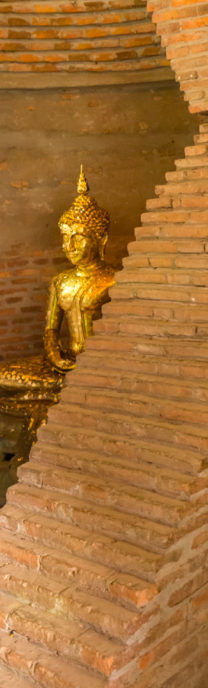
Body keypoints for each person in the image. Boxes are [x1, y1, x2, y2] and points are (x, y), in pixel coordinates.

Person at [0, 169, 114, 466]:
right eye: (66, 238)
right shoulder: (61, 281)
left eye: (79, 238)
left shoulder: (115, 281)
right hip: (63, 364)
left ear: (100, 238)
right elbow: (50, 330)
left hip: (100, 368)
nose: (70, 247)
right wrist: (55, 355)